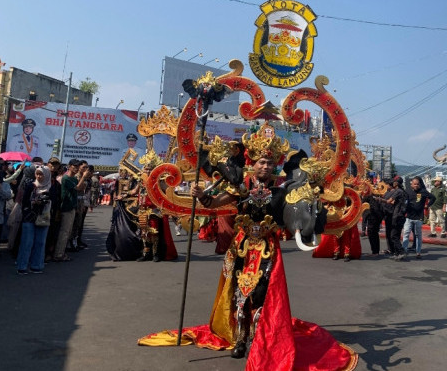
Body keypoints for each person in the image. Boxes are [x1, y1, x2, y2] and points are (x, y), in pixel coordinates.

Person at [141, 123, 356, 370]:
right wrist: (200, 194)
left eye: (269, 163)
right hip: (241, 247)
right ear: (252, 163)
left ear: (274, 164)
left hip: (267, 247)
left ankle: (258, 338)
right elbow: (213, 202)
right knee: (239, 295)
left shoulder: (283, 190)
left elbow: (295, 215)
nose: (264, 166)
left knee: (262, 295)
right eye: (260, 162)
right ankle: (241, 338)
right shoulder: (239, 186)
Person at [16, 166, 53, 274]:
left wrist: (46, 201)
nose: (39, 176)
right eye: (37, 174)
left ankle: (36, 265)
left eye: (41, 174)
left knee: (40, 242)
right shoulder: (30, 186)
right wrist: (34, 202)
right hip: (29, 217)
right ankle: (22, 266)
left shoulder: (51, 187)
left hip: (43, 217)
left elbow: (54, 199)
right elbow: (24, 202)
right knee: (27, 242)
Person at [53, 159, 89, 262]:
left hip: (73, 206)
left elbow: (81, 188)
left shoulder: (73, 178)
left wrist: (84, 179)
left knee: (68, 231)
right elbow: (77, 188)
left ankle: (62, 252)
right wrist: (83, 177)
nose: (76, 168)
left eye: (78, 166)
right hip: (66, 206)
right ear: (69, 166)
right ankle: (59, 254)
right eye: (75, 166)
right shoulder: (66, 178)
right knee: (64, 231)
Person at [402, 176, 434, 259]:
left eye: (417, 184)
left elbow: (433, 197)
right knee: (406, 234)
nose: (416, 185)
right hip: (409, 217)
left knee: (418, 235)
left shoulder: (423, 192)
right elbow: (404, 202)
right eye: (414, 184)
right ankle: (404, 250)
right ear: (411, 185)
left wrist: (427, 205)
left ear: (419, 185)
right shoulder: (408, 191)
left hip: (418, 218)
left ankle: (418, 251)